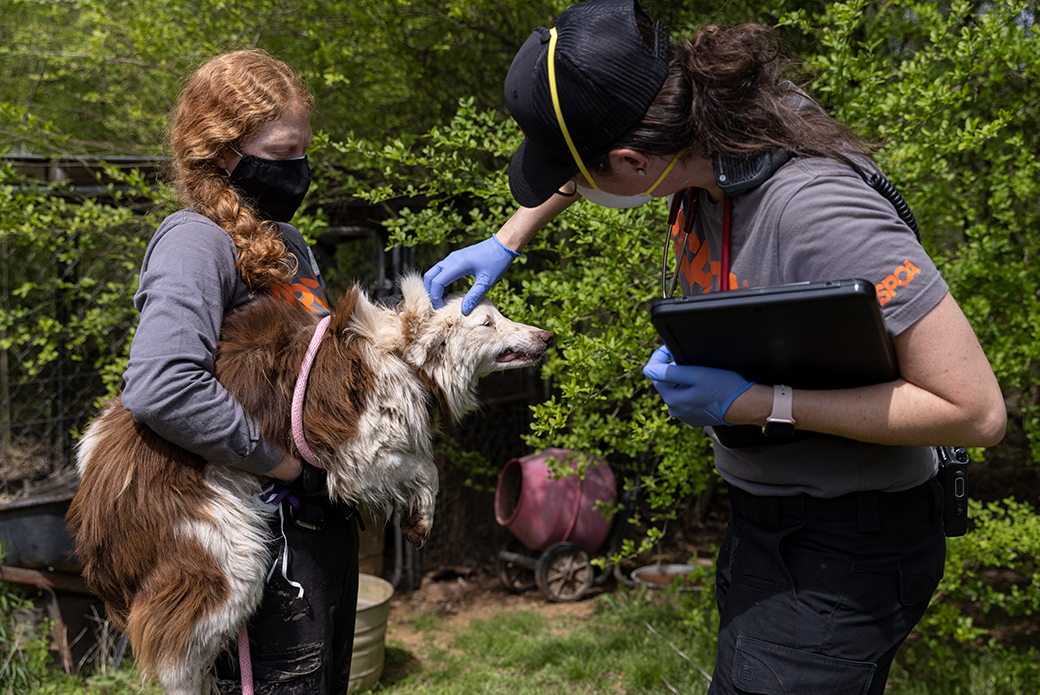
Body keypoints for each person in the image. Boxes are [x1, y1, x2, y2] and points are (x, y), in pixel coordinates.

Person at [422, 1, 1007, 693]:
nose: (565, 185)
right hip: (770, 520)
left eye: (577, 169)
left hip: (844, 544)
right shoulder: (708, 125)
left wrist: (753, 402)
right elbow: (586, 167)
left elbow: (975, 412)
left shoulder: (813, 209)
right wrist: (508, 238)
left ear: (634, 160)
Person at [120, 49, 358, 694]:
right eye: (281, 156)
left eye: (303, 152)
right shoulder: (195, 242)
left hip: (314, 518)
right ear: (222, 152)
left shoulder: (290, 244)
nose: (298, 171)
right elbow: (162, 383)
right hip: (252, 525)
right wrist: (283, 465)